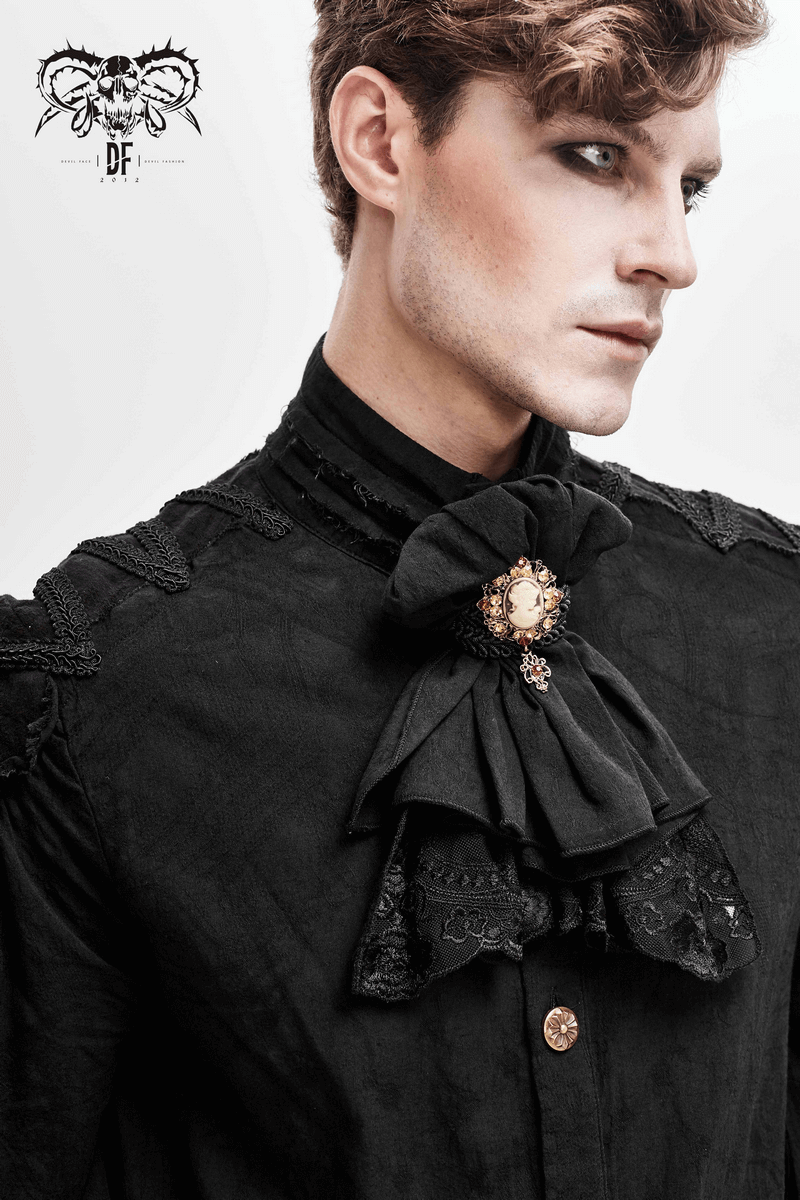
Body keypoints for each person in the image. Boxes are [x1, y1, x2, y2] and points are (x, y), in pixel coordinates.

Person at [0, 1, 794, 1197]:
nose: (669, 255)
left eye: (685, 188)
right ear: (380, 140)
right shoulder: (100, 690)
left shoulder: (770, 632)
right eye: (594, 155)